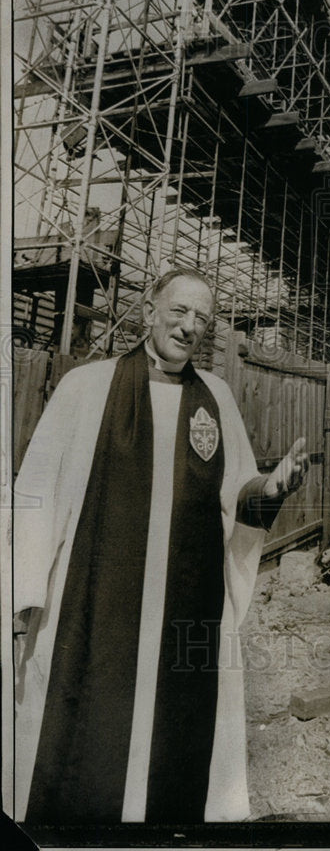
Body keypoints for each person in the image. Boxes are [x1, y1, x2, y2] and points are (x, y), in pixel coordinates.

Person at [13, 267, 309, 824]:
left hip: (184, 610)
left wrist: (273, 486)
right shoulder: (87, 386)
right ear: (150, 310)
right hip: (97, 609)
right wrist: (24, 589)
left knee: (175, 755)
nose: (189, 326)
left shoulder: (215, 398)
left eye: (203, 318)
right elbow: (37, 490)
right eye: (179, 311)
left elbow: (238, 493)